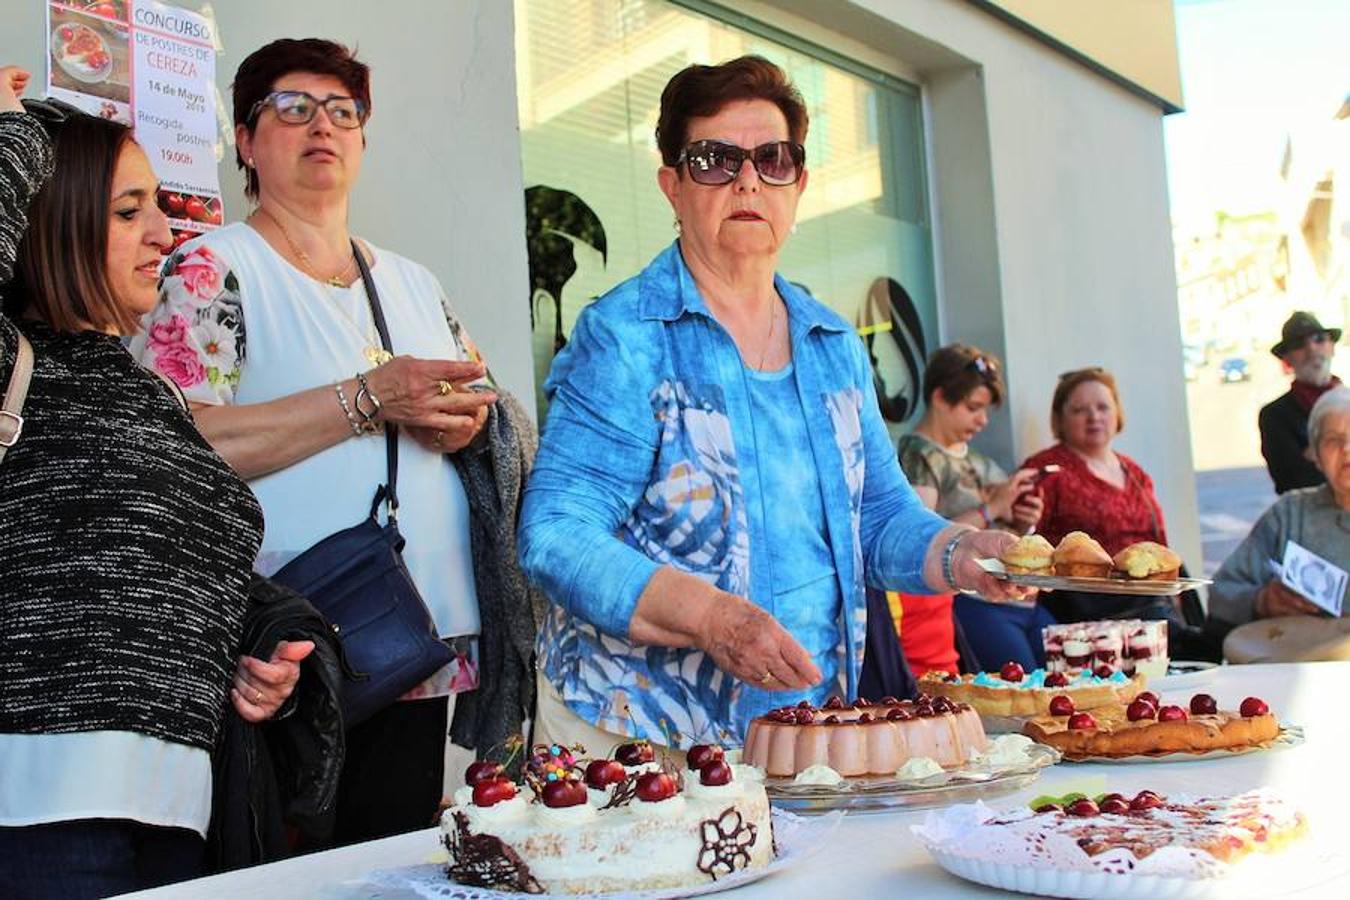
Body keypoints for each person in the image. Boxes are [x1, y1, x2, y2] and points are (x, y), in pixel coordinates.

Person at [518, 56, 1027, 753]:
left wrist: (963, 552)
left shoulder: (832, 343)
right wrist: (712, 618)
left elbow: (877, 517)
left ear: (799, 184)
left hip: (806, 728)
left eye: (772, 158)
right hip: (641, 739)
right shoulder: (626, 336)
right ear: (672, 185)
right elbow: (556, 534)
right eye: (714, 159)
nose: (748, 179)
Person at [131, 39, 531, 845]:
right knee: (293, 863)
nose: (324, 126)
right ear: (245, 140)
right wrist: (369, 399)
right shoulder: (212, 270)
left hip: (422, 636)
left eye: (343, 112)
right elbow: (174, 448)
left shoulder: (413, 282)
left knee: (396, 860)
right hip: (286, 658)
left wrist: (466, 422)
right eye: (293, 108)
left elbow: (479, 410)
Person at [0, 70, 304, 897]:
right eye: (127, 211)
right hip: (35, 812)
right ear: (47, 224)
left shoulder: (153, 393)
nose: (163, 232)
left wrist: (254, 648)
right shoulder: (15, 369)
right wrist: (16, 139)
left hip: (177, 806)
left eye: (158, 207)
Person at [896, 344, 1051, 672]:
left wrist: (1022, 522)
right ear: (940, 398)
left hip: (1018, 602)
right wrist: (991, 508)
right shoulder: (918, 455)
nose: (982, 420)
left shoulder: (976, 459)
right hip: (973, 603)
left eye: (985, 410)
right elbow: (920, 539)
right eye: (973, 407)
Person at [1021, 367, 1180, 624]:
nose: (1093, 416)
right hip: (1084, 611)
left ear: (1117, 413)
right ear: (1059, 419)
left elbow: (1158, 540)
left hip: (1150, 602)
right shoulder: (1046, 470)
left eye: (1103, 407)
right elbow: (1025, 544)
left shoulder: (1135, 472)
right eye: (1079, 410)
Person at [1211, 386, 1350, 629]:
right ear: (1315, 455)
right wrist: (1262, 601)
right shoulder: (1291, 514)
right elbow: (1222, 593)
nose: (1346, 449)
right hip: (1305, 660)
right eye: (1333, 440)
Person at [1259, 311, 1342, 494]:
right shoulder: (1275, 415)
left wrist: (1317, 454)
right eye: (1299, 344)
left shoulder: (1347, 402)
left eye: (1319, 339)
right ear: (1287, 359)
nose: (1312, 349)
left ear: (1332, 347)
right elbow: (1291, 481)